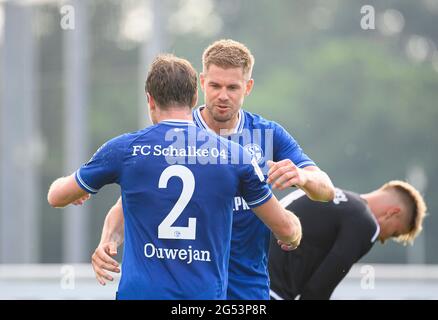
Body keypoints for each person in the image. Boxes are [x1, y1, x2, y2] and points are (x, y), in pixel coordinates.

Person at [91, 39, 335, 299]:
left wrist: (304, 176)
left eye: (233, 87)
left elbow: (326, 191)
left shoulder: (266, 135)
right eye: (215, 86)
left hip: (247, 288)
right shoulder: (178, 134)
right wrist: (109, 240)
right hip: (188, 291)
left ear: (248, 87)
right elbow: (131, 200)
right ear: (202, 82)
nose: (222, 95)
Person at [47, 54, 302, 300]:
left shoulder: (126, 150)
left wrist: (81, 187)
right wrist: (295, 229)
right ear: (195, 98)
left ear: (150, 100)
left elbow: (57, 196)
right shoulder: (235, 157)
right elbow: (286, 230)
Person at [268, 180, 428, 300]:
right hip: (269, 292)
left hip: (248, 278)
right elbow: (319, 288)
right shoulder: (367, 224)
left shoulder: (326, 193)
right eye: (394, 233)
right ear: (392, 213)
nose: (384, 240)